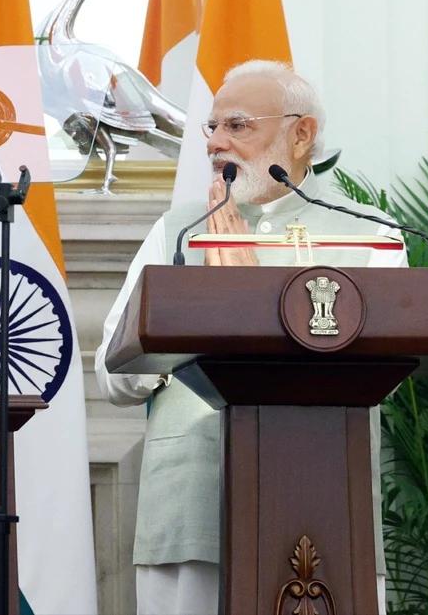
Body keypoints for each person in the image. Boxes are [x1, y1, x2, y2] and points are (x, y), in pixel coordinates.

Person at [93, 60, 402, 614]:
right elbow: (111, 372)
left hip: (326, 503)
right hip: (189, 509)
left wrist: (249, 295)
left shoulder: (369, 235)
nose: (216, 143)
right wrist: (204, 317)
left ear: (301, 135)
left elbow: (388, 373)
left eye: (237, 125)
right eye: (211, 128)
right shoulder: (178, 232)